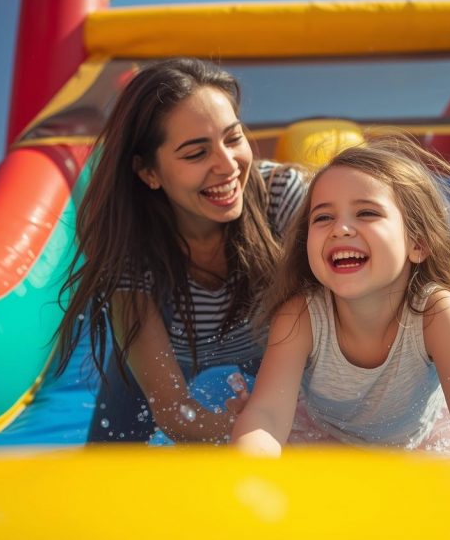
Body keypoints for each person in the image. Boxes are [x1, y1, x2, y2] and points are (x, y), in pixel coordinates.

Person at [55, 58, 307, 443]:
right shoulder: (131, 250)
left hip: (269, 346)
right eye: (196, 153)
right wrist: (252, 433)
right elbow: (175, 412)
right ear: (148, 172)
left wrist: (287, 428)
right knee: (109, 466)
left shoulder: (282, 201)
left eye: (234, 138)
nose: (227, 166)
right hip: (173, 352)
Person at [231, 136, 450, 459]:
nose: (340, 228)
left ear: (418, 244)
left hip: (416, 445)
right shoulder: (301, 316)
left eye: (367, 213)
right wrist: (253, 457)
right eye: (323, 217)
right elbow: (268, 415)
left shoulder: (435, 313)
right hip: (322, 437)